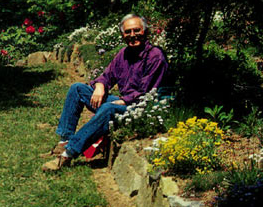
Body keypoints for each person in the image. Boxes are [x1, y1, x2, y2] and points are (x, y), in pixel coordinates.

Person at [42, 13, 168, 172]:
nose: (132, 35)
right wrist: (101, 85)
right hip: (123, 103)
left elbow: (147, 92)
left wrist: (124, 101)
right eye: (128, 32)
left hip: (141, 109)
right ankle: (64, 142)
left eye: (137, 30)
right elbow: (107, 76)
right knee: (77, 89)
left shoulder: (155, 56)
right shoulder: (124, 54)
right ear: (122, 35)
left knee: (108, 109)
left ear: (146, 32)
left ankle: (68, 154)